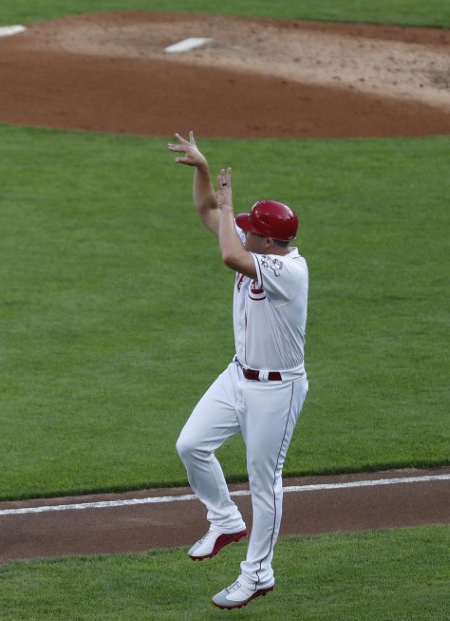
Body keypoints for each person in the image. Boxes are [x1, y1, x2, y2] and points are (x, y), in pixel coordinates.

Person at [167, 131, 309, 609]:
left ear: (269, 240)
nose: (241, 228)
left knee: (264, 481)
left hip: (277, 390)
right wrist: (204, 170)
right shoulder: (259, 250)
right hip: (237, 376)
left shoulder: (288, 271)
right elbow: (209, 213)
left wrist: (230, 210)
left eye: (251, 227)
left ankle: (258, 573)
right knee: (191, 444)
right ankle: (225, 519)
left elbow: (230, 250)